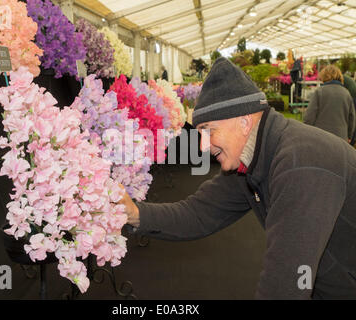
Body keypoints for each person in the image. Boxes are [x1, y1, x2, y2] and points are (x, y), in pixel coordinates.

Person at [120, 57, 356, 299]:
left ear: (244, 122)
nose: (202, 147)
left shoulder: (300, 165)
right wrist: (135, 214)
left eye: (209, 131)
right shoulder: (249, 157)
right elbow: (197, 213)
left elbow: (286, 279)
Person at [303, 64, 355, 142]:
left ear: (324, 76)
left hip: (321, 137)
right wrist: (349, 136)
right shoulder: (346, 93)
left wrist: (306, 132)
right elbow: (352, 118)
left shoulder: (319, 92)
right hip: (341, 138)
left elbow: (309, 116)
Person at [343, 73, 356, 145]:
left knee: (352, 117)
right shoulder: (343, 77)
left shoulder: (339, 78)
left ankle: (352, 140)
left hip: (353, 95)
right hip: (353, 94)